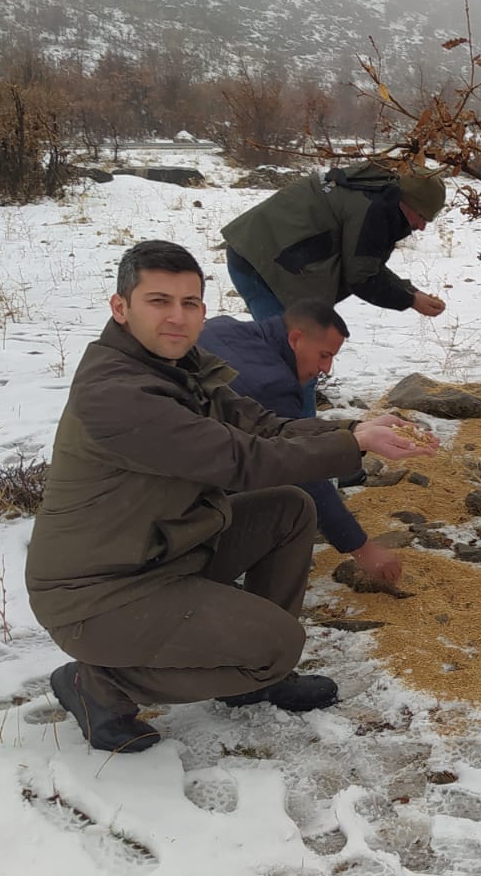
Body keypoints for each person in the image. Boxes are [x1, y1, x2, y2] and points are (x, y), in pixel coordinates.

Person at [25, 240, 437, 754]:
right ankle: (100, 686)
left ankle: (255, 677)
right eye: (159, 301)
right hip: (99, 591)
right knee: (280, 645)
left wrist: (355, 426)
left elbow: (260, 425)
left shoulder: (180, 365)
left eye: (190, 302)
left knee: (289, 508)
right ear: (121, 308)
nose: (177, 317)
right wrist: (352, 445)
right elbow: (244, 460)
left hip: (161, 550)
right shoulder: (118, 392)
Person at [198, 299, 418, 585]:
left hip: (178, 451)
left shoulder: (223, 326)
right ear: (296, 338)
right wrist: (363, 550)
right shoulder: (270, 383)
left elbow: (287, 429)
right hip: (181, 502)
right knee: (294, 502)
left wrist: (358, 428)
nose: (326, 369)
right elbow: (303, 469)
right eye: (324, 355)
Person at [221, 160, 449, 324]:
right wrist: (409, 299)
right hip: (260, 265)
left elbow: (367, 265)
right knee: (295, 353)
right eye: (421, 217)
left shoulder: (379, 196)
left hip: (265, 257)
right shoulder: (373, 209)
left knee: (298, 353)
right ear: (407, 202)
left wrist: (410, 291)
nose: (422, 227)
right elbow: (362, 279)